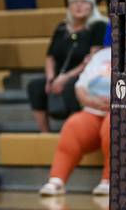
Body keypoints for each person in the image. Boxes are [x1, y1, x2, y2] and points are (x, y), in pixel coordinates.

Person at [39, 29, 112, 197]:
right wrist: (88, 101)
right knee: (73, 125)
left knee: (113, 125)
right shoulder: (101, 55)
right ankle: (57, 180)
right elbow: (80, 85)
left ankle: (109, 180)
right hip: (93, 109)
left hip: (124, 112)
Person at [27, 0, 108, 133]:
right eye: (74, 2)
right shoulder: (62, 27)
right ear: (69, 6)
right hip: (59, 75)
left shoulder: (99, 26)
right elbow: (50, 56)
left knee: (72, 86)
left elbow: (92, 59)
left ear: (92, 6)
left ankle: (70, 132)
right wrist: (51, 79)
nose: (78, 5)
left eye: (84, 2)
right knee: (35, 86)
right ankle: (44, 133)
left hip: (84, 75)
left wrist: (64, 78)